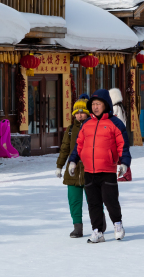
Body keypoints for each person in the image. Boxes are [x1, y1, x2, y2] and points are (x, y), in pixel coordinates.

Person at [71, 89, 126, 242]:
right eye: (93, 104)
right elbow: (79, 145)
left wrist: (124, 163)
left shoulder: (115, 123)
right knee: (93, 203)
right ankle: (97, 230)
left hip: (107, 169)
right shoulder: (87, 124)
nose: (95, 107)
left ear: (105, 104)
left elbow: (123, 145)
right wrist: (73, 160)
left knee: (110, 201)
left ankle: (117, 224)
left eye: (98, 104)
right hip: (89, 170)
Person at [57, 98, 89, 237]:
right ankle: (77, 227)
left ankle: (98, 223)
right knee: (74, 201)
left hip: (90, 170)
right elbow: (64, 149)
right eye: (77, 113)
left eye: (82, 113)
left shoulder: (93, 127)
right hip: (73, 170)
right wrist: (59, 166)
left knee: (94, 200)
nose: (80, 115)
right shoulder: (70, 130)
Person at [107, 87, 135, 180]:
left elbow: (115, 121)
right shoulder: (121, 107)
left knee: (119, 154)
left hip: (117, 134)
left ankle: (126, 174)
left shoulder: (115, 108)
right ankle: (125, 173)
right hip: (121, 133)